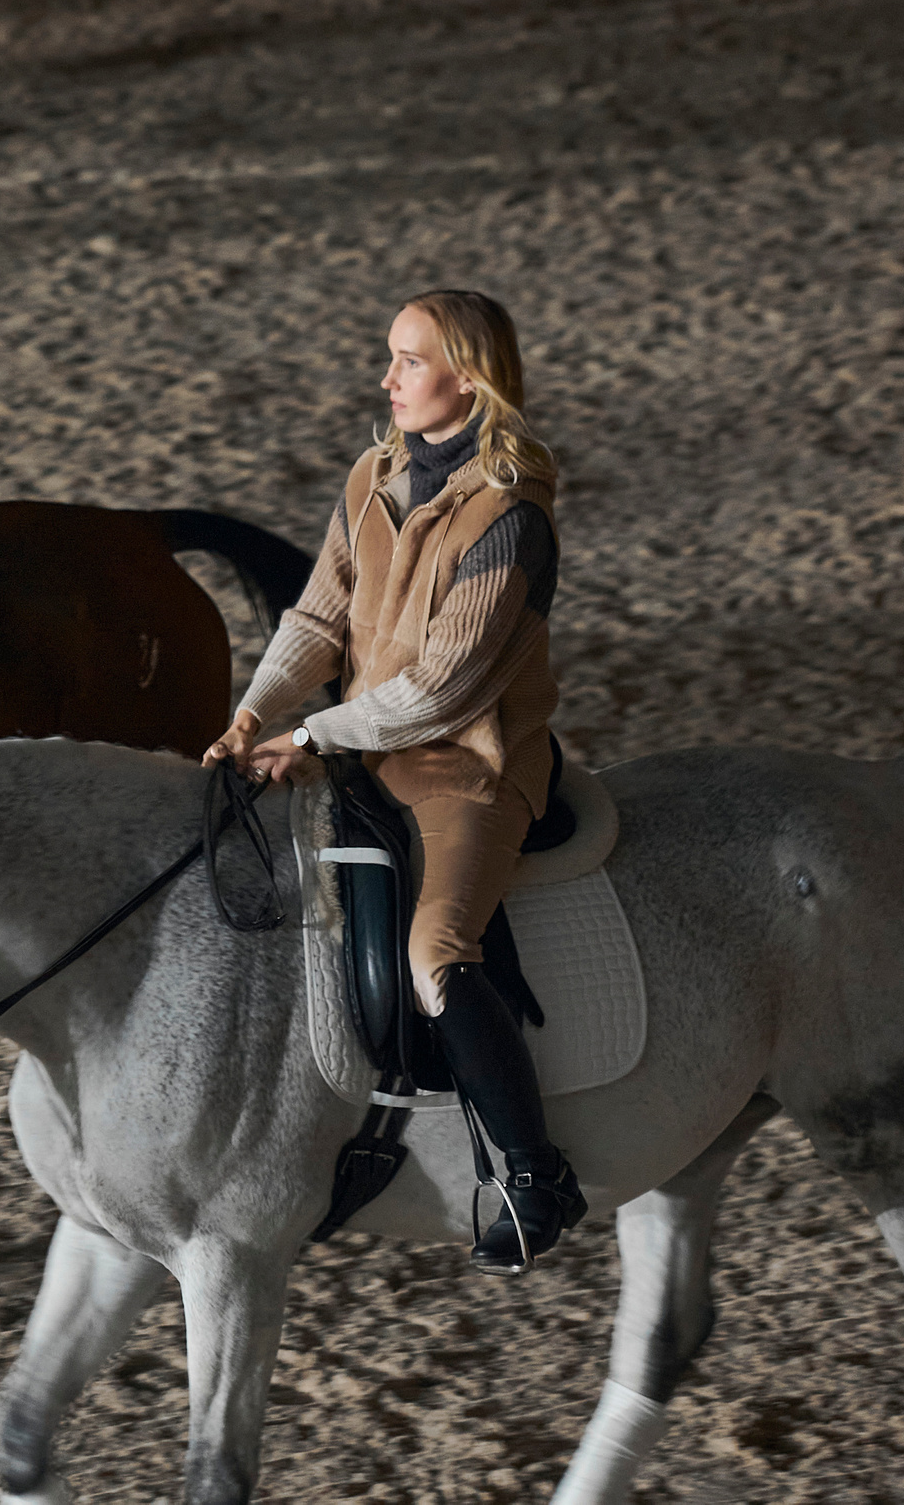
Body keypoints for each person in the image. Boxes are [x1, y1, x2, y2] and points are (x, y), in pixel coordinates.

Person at [203, 289, 583, 1274]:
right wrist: (252, 711)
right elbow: (317, 618)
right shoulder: (374, 474)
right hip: (353, 741)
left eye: (408, 362)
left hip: (464, 765)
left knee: (436, 948)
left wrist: (309, 733)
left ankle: (534, 1174)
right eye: (391, 358)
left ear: (468, 374)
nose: (387, 380)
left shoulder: (511, 515)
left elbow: (442, 687)